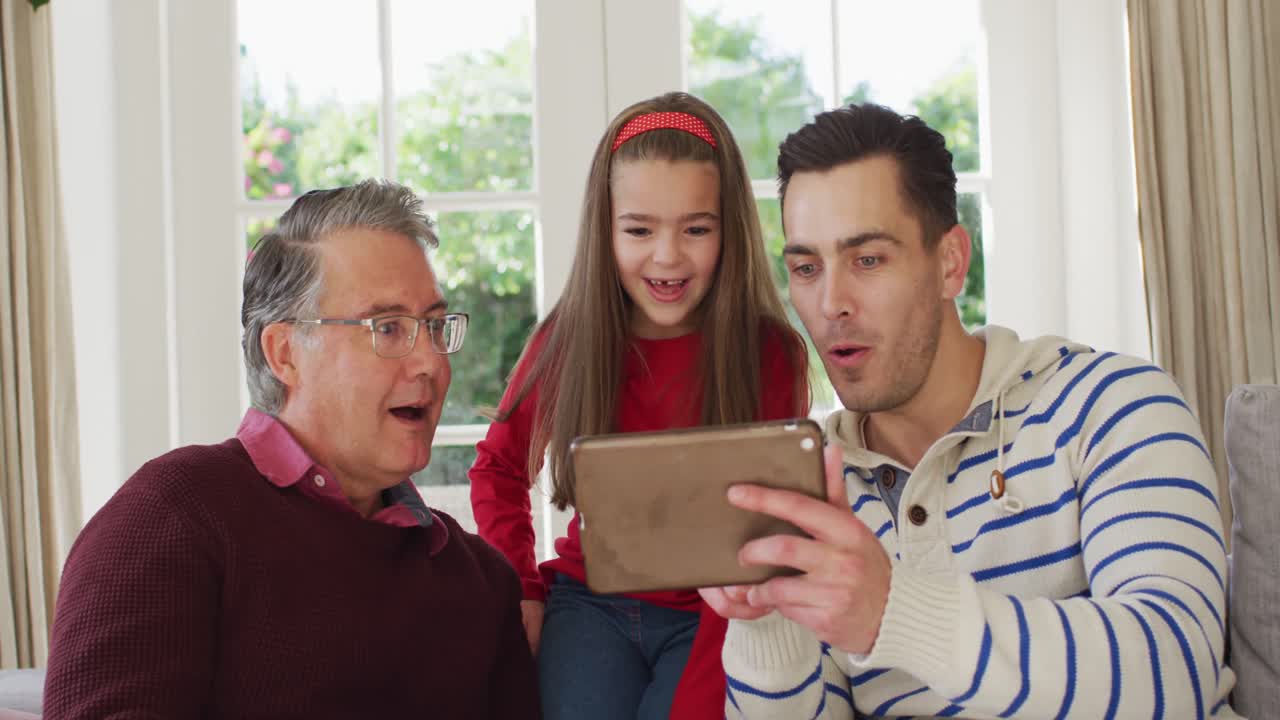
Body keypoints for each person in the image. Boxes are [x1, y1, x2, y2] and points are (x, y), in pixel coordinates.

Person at [704, 103, 1239, 718]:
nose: (830, 303)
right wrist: (767, 625)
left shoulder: (1114, 406)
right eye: (805, 268)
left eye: (868, 259)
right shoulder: (816, 488)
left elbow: (1176, 669)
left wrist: (894, 612)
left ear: (951, 263)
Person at [44, 181, 540, 719]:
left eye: (434, 325)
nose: (431, 363)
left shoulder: (481, 582)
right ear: (284, 354)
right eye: (389, 327)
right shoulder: (172, 516)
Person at [469, 91, 810, 720]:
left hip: (715, 613)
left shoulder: (770, 354)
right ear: (607, 231)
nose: (667, 256)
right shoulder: (567, 339)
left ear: (727, 230)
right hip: (588, 602)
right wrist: (523, 593)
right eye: (639, 230)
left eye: (696, 229)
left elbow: (767, 531)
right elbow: (497, 468)